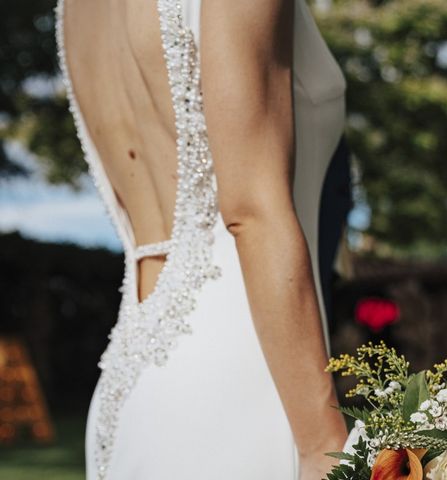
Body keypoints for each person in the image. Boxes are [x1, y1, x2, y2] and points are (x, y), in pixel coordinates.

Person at [55, 0, 350, 478]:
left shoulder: (73, 8)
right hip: (244, 384)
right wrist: (325, 447)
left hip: (127, 386)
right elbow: (253, 209)